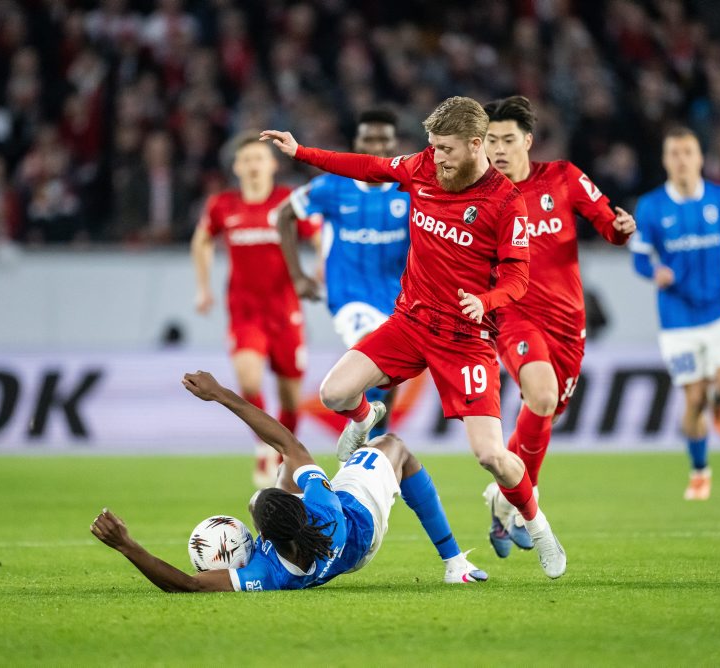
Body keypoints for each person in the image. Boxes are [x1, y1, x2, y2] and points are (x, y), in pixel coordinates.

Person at [262, 96, 566, 579]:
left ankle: (539, 526)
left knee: (491, 456)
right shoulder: (423, 167)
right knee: (334, 392)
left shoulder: (506, 203)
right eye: (432, 147)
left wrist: (484, 303)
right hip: (410, 322)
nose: (437, 157)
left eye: (446, 149)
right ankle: (366, 417)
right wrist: (301, 152)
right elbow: (367, 164)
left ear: (474, 144)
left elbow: (517, 280)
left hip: (464, 339)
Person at [89, 371, 488, 591]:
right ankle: (454, 562)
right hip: (358, 522)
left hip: (333, 554)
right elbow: (286, 441)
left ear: (265, 537)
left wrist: (126, 545)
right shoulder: (322, 506)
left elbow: (187, 584)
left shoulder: (267, 574)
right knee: (394, 446)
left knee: (264, 490)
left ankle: (348, 457)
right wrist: (223, 394)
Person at [479, 96, 636, 556]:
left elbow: (608, 223)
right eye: (491, 142)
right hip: (512, 316)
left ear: (528, 140)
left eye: (508, 140)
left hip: (568, 323)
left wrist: (622, 228)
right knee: (542, 395)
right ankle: (527, 506)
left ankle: (504, 503)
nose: (500, 150)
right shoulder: (479, 196)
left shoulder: (564, 178)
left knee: (545, 411)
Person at [630, 127, 720, 501]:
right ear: (665, 160)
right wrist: (654, 272)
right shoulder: (652, 206)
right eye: (674, 153)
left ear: (700, 158)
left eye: (688, 152)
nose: (682, 160)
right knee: (693, 400)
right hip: (678, 320)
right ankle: (700, 471)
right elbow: (638, 257)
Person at [191, 133, 315, 488]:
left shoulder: (288, 201)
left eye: (260, 158)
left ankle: (287, 455)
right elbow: (200, 240)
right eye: (246, 159)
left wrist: (322, 269)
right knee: (249, 380)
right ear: (237, 167)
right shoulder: (222, 205)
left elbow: (319, 236)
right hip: (245, 313)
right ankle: (266, 448)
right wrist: (203, 289)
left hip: (286, 312)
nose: (253, 165)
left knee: (291, 399)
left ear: (273, 164)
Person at [277, 109, 410, 437]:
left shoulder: (411, 188)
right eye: (369, 138)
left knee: (389, 375)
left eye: (384, 139)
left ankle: (373, 445)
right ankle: (364, 431)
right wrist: (298, 276)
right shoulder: (332, 186)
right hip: (349, 295)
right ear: (357, 142)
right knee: (375, 353)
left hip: (399, 298)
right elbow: (283, 215)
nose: (376, 145)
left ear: (395, 144)